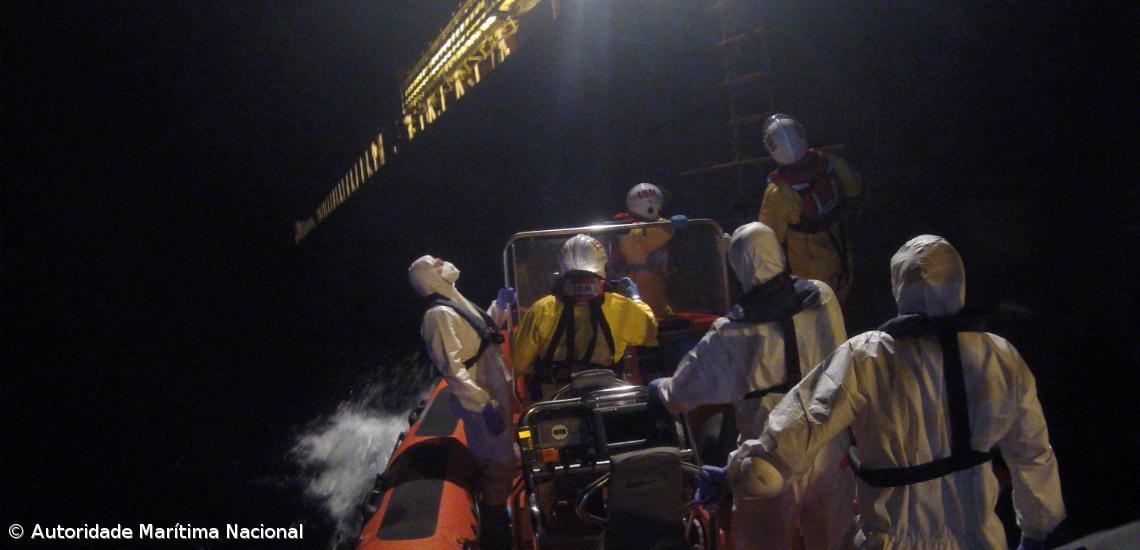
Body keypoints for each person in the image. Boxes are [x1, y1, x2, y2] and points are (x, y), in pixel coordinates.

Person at [725, 235, 1066, 549]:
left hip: (890, 538)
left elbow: (809, 413)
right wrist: (1038, 527)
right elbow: (1033, 452)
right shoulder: (1000, 356)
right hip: (980, 538)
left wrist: (761, 459)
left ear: (899, 286)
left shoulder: (868, 356)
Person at [648, 222, 855, 550]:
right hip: (829, 446)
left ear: (738, 266)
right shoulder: (822, 296)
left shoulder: (731, 330)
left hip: (769, 457)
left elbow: (682, 393)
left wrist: (659, 389)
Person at [408, 255, 516, 548]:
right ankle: (496, 529)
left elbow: (483, 329)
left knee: (502, 457)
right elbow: (452, 370)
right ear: (429, 275)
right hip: (480, 396)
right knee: (496, 463)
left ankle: (498, 515)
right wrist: (482, 404)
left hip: (491, 385)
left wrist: (500, 305)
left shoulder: (453, 300)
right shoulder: (437, 315)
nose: (445, 263)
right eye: (438, 263)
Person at [511, 234, 658, 400]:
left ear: (562, 267)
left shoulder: (541, 309)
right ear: (602, 263)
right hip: (607, 399)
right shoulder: (621, 306)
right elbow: (649, 332)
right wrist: (636, 299)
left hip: (556, 402)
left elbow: (519, 364)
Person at [758, 114, 861, 305]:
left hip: (808, 265)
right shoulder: (830, 163)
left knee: (820, 315)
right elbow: (854, 188)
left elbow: (768, 236)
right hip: (841, 251)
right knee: (843, 305)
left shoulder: (778, 191)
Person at [611, 182, 689, 317]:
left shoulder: (657, 223)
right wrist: (669, 227)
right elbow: (643, 241)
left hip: (657, 287)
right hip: (638, 289)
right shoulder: (624, 229)